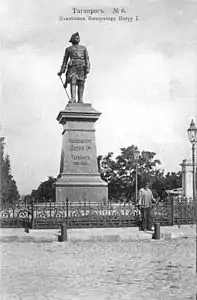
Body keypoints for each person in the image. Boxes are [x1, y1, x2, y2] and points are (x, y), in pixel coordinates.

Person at [57, 32, 90, 103]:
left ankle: (80, 99)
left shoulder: (83, 48)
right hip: (72, 66)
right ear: (72, 39)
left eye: (78, 37)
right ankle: (73, 98)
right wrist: (61, 71)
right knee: (73, 81)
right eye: (76, 37)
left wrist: (87, 67)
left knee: (81, 83)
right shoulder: (68, 49)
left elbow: (87, 58)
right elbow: (65, 61)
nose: (77, 39)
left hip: (81, 66)